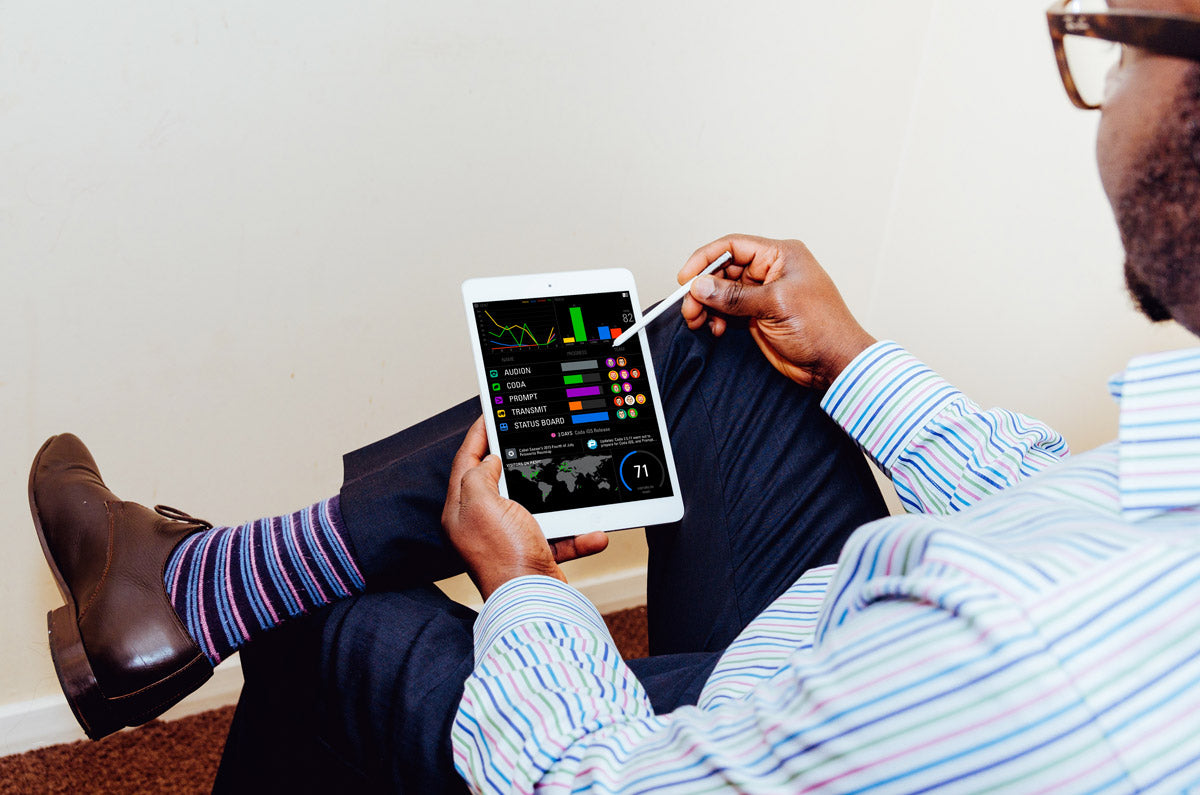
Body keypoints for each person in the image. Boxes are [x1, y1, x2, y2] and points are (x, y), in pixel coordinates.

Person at [25, 0, 1200, 791]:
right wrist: (854, 356)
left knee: (339, 624)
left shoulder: (1038, 656)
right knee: (718, 343)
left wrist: (526, 589)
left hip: (725, 735)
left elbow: (595, 781)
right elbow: (1064, 506)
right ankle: (181, 589)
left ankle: (207, 589)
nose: (1106, 88)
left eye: (1121, 42)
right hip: (837, 655)